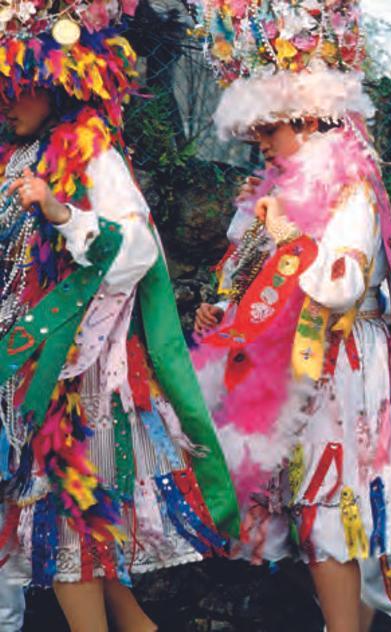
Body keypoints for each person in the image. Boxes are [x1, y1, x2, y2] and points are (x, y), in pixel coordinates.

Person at [187, 2, 391, 630]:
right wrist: (225, 307)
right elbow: (254, 284)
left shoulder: (352, 189)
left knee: (337, 508)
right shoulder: (273, 196)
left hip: (344, 367)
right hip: (295, 369)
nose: (260, 144)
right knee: (312, 510)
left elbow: (340, 286)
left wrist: (287, 231)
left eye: (270, 129)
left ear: (309, 115)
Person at [0, 3, 239, 630]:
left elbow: (136, 250)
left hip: (78, 375)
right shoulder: (10, 159)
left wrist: (62, 213)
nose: (9, 101)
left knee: (70, 524)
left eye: (22, 87)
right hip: (22, 371)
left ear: (56, 83)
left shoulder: (93, 156)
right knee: (79, 544)